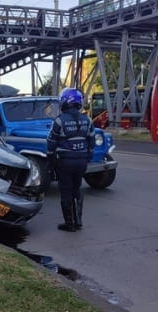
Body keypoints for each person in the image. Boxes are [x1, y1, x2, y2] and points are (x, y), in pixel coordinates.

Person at [47, 88, 95, 232]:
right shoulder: (88, 120)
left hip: (65, 162)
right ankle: (78, 221)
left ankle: (69, 224)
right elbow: (91, 141)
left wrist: (50, 162)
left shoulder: (59, 121)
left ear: (64, 101)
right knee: (77, 189)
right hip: (81, 162)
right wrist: (87, 157)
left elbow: (51, 142)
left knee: (66, 191)